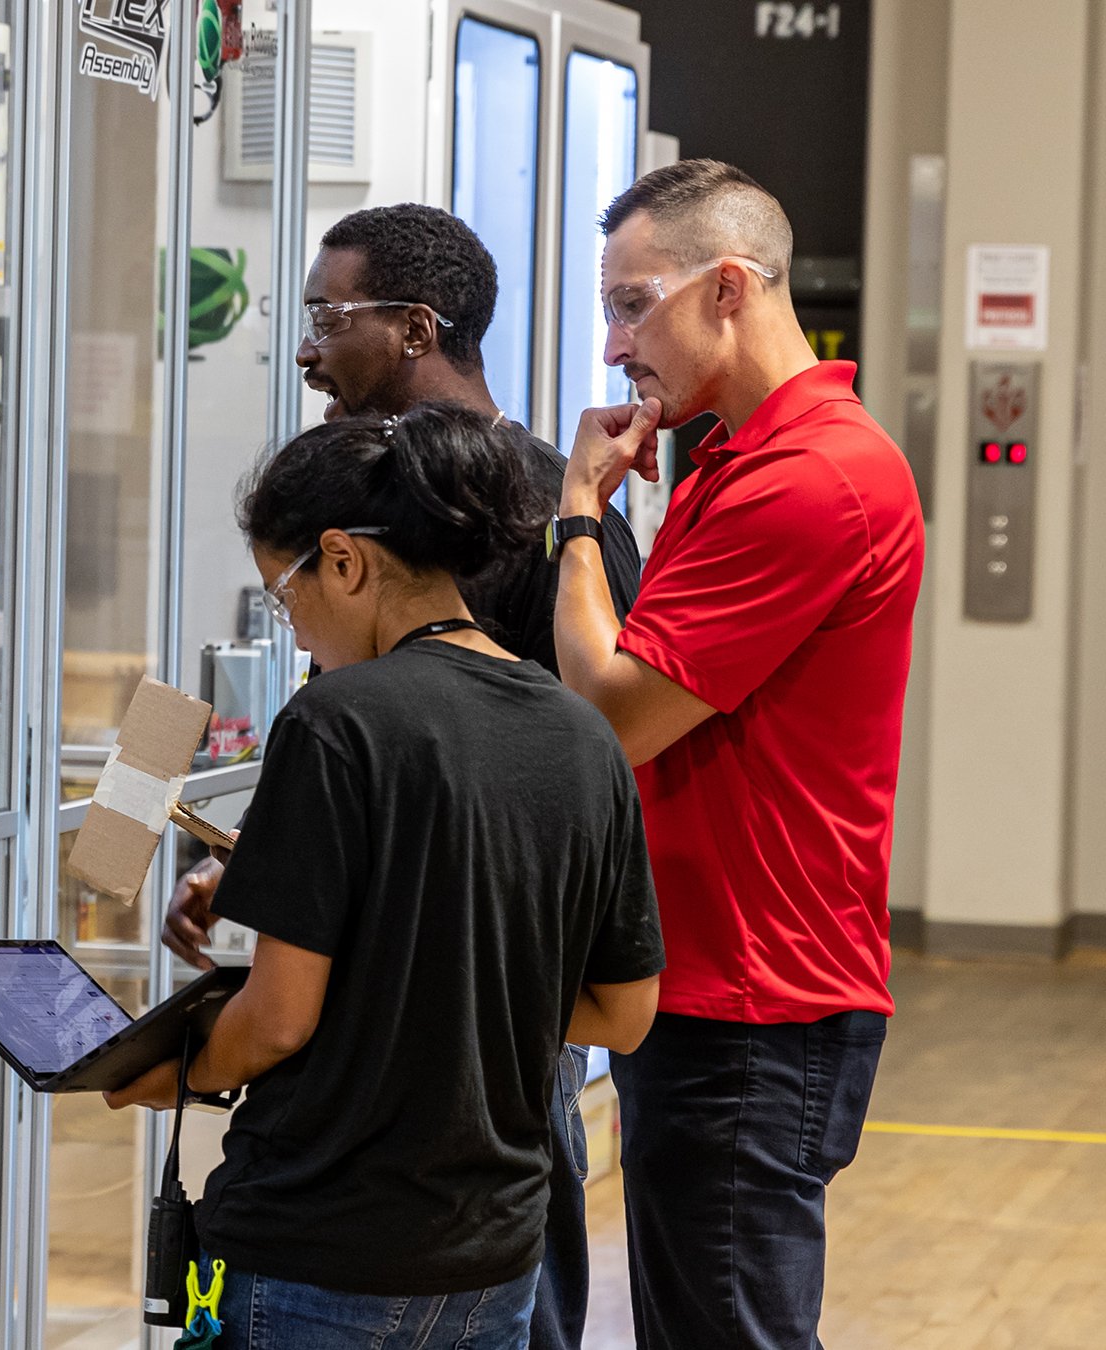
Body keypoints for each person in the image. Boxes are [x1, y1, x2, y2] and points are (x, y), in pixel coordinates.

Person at [169, 202, 644, 1350]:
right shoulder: (360, 595)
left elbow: (534, 787)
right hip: (394, 1062)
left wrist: (183, 1059)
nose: (306, 349)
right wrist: (272, 872)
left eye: (330, 317)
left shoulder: (557, 531)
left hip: (482, 1062)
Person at [549, 160, 926, 1348]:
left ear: (725, 289)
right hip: (714, 988)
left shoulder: (814, 478)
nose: (613, 350)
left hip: (753, 1006)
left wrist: (576, 515)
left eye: (629, 304)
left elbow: (613, 713)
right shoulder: (737, 458)